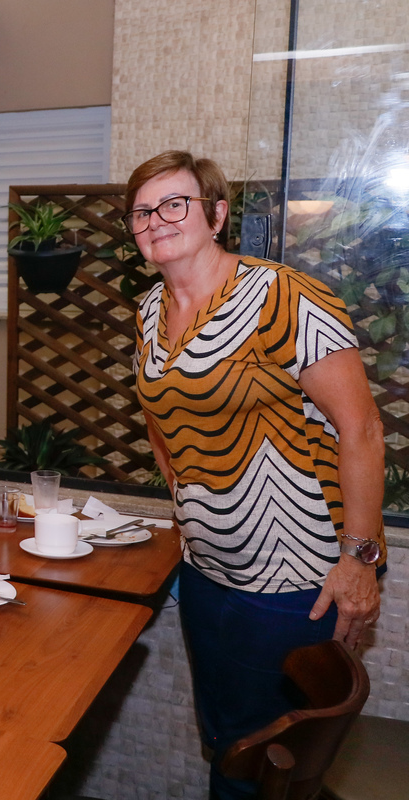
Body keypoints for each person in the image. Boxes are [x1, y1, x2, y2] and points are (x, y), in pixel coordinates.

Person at [127, 151, 385, 800]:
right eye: (141, 211)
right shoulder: (150, 310)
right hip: (206, 572)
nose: (156, 220)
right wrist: (189, 508)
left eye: (174, 204)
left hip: (293, 579)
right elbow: (162, 422)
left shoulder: (283, 297)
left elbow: (361, 430)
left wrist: (359, 561)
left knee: (261, 755)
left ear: (216, 215)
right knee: (225, 738)